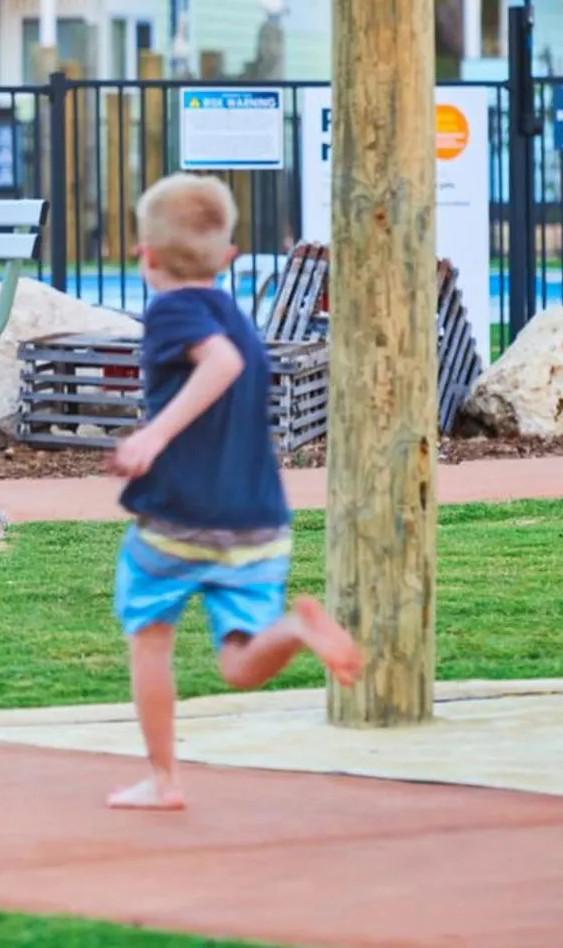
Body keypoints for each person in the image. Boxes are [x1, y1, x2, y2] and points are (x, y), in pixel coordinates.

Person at [105, 174, 362, 811]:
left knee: (150, 635)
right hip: (257, 524)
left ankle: (164, 780)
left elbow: (221, 364)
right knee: (239, 664)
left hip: (178, 518)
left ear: (146, 255)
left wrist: (153, 435)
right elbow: (230, 359)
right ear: (228, 257)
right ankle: (295, 630)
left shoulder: (172, 310)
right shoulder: (235, 315)